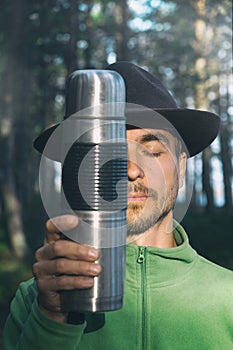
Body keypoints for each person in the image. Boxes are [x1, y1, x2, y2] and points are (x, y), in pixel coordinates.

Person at [3, 61, 233, 350]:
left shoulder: (229, 299)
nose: (130, 170)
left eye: (151, 151)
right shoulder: (37, 301)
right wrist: (53, 319)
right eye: (106, 155)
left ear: (182, 166)